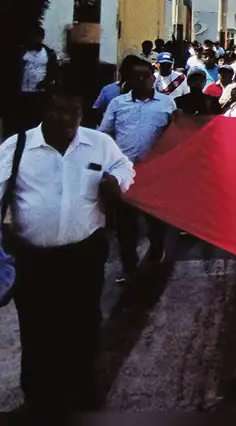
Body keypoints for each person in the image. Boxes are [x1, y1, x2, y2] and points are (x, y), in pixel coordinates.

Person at [0, 90, 134, 411]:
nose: (66, 119)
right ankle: (39, 395)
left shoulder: (99, 143)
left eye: (74, 112)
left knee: (83, 324)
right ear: (46, 112)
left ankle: (81, 391)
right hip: (33, 258)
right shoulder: (17, 147)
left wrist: (116, 180)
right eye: (59, 111)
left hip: (83, 256)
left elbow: (125, 166)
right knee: (37, 326)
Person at [100, 59, 176, 282]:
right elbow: (105, 133)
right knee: (126, 223)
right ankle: (129, 267)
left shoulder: (166, 103)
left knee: (155, 221)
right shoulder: (117, 103)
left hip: (154, 174)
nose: (142, 80)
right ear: (130, 79)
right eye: (137, 76)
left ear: (153, 78)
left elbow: (175, 134)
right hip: (125, 173)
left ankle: (156, 253)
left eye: (146, 75)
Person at [7, 26, 59, 137]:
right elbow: (13, 70)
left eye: (38, 37)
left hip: (40, 92)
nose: (35, 40)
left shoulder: (48, 53)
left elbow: (53, 71)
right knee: (22, 118)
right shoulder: (22, 52)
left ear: (42, 38)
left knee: (37, 118)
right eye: (33, 37)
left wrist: (47, 82)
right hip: (22, 91)